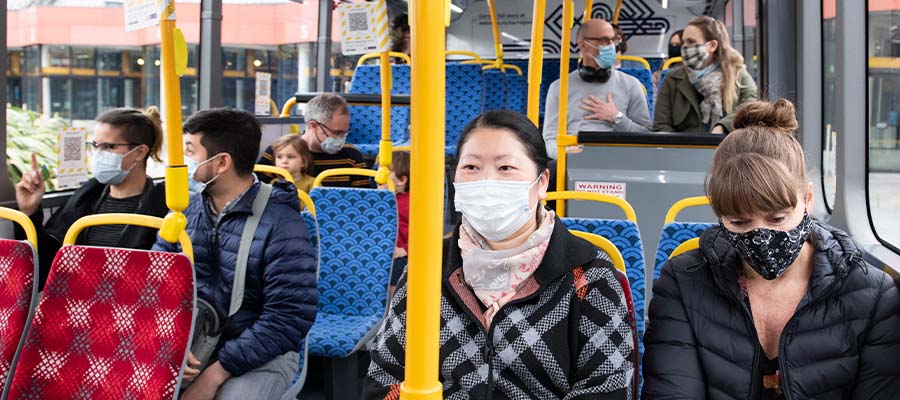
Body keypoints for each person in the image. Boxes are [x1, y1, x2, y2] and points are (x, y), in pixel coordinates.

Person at [364, 110, 637, 399]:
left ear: (542, 182)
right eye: (471, 167)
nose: (486, 182)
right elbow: (385, 378)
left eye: (505, 168)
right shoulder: (426, 269)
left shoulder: (589, 276)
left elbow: (608, 387)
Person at [642, 99, 900, 399]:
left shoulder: (870, 293)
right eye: (739, 222)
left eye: (777, 218)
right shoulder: (684, 282)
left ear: (807, 199)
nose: (762, 235)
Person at [154, 108, 317, 400]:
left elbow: (289, 317)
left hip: (260, 353)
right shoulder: (182, 211)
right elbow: (156, 282)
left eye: (189, 151)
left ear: (221, 163)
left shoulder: (281, 222)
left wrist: (216, 373)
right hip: (192, 341)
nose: (180, 163)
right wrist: (172, 343)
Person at [14, 107, 166, 289]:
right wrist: (29, 212)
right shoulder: (85, 198)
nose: (98, 154)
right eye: (95, 145)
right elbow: (47, 262)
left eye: (108, 147)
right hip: (73, 299)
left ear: (139, 152)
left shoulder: (160, 208)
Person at [543, 18, 651, 159]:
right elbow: (550, 138)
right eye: (604, 40)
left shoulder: (631, 85)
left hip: (620, 159)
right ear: (583, 45)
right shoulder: (559, 87)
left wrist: (616, 118)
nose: (611, 46)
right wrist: (565, 154)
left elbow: (646, 135)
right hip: (573, 159)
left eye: (613, 40)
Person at [653, 16, 758, 133]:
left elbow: (753, 105)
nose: (684, 47)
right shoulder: (673, 79)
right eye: (684, 42)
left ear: (712, 46)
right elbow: (661, 125)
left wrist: (724, 126)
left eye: (691, 42)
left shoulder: (737, 74)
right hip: (682, 148)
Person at [258, 94, 369, 187]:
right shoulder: (280, 151)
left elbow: (362, 199)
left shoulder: (352, 156)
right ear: (313, 126)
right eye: (336, 133)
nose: (341, 139)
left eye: (344, 133)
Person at [377, 151, 410, 296]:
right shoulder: (379, 200)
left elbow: (424, 236)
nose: (378, 175)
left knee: (394, 271)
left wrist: (405, 249)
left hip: (402, 253)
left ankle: (392, 308)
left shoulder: (411, 203)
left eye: (386, 172)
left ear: (401, 180)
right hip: (383, 251)